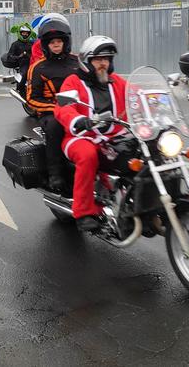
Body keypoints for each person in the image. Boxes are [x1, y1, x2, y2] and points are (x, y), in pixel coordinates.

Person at [55, 35, 127, 231]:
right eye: (98, 59)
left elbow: (136, 97)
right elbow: (64, 107)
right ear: (87, 61)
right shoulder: (74, 81)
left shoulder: (117, 82)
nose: (103, 63)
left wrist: (155, 102)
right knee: (88, 156)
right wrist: (78, 120)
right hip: (80, 137)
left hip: (111, 136)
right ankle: (83, 211)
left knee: (142, 151)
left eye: (107, 58)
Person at [26, 16, 79, 192]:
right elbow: (32, 99)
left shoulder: (77, 61)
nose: (56, 45)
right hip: (51, 113)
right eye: (52, 42)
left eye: (59, 41)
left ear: (66, 42)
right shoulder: (39, 67)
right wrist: (57, 108)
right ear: (46, 45)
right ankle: (55, 174)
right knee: (56, 127)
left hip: (79, 109)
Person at [5, 23, 33, 94]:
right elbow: (10, 56)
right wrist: (19, 57)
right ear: (20, 33)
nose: (25, 34)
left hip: (33, 62)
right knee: (25, 73)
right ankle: (20, 88)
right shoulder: (15, 44)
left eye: (27, 33)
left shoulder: (31, 43)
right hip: (22, 63)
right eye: (23, 33)